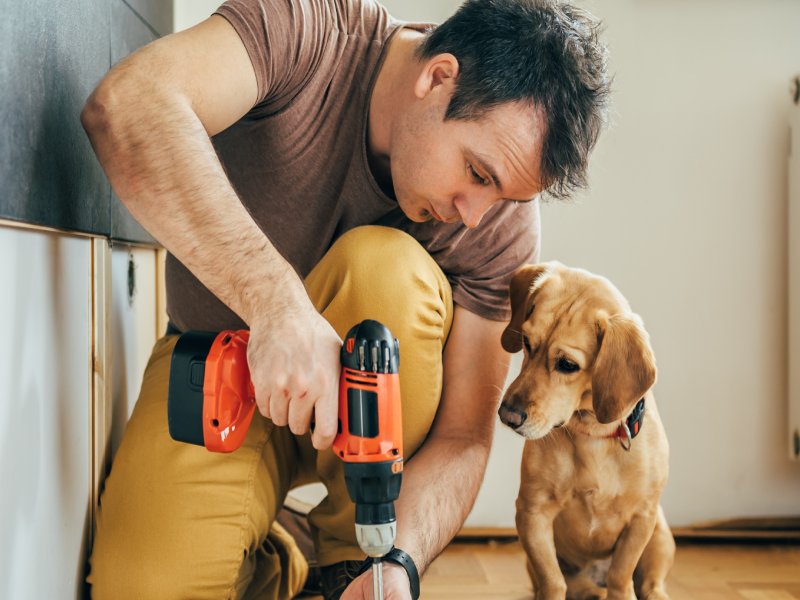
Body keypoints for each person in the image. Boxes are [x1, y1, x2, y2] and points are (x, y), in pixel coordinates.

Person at [81, 0, 609, 598]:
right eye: (478, 174)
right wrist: (277, 306)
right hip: (220, 369)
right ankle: (284, 549)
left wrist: (400, 564)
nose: (473, 215)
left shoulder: (499, 221)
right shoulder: (305, 29)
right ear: (437, 77)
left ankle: (348, 567)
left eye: (503, 197)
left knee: (385, 270)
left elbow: (464, 436)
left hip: (371, 439)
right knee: (140, 588)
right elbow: (127, 105)